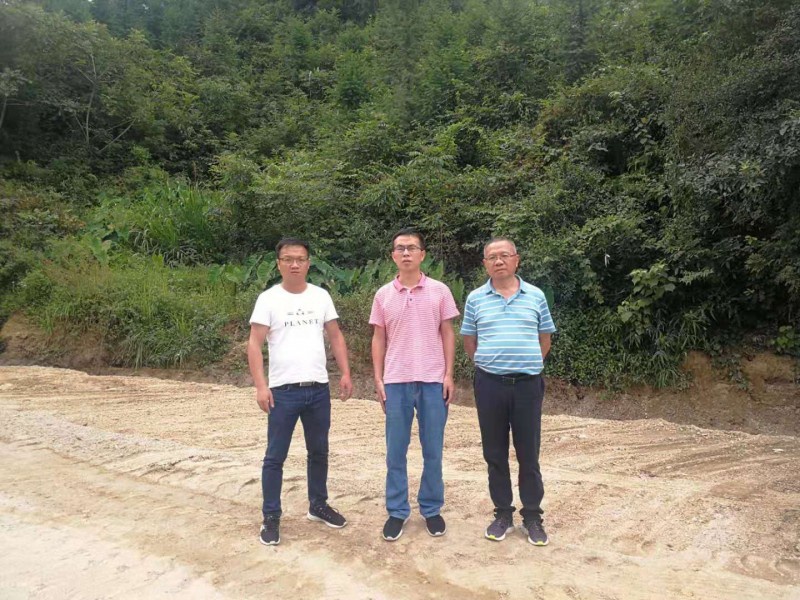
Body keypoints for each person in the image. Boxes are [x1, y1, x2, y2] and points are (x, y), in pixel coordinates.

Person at [247, 237, 353, 546]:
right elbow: (254, 343)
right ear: (278, 263)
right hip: (283, 391)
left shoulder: (321, 296)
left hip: (318, 389)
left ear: (308, 263)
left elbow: (335, 335)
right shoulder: (268, 299)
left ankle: (318, 505)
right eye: (288, 259)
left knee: (319, 451)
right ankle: (271, 516)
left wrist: (345, 372)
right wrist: (261, 386)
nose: (295, 264)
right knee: (275, 457)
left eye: (301, 259)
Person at [460, 237, 556, 546]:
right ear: (485, 264)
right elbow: (469, 341)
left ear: (516, 259)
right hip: (489, 385)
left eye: (504, 255)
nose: (498, 261)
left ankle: (532, 517)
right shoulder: (475, 298)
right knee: (495, 454)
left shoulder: (536, 296)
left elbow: (544, 338)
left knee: (529, 454)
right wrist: (489, 364)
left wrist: (526, 363)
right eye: (492, 257)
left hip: (527, 386)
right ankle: (503, 513)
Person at [370, 228, 460, 541]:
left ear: (423, 254)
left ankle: (431, 508)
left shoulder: (439, 291)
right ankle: (397, 510)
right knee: (395, 451)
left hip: (433, 380)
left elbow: (447, 333)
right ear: (393, 255)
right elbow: (378, 337)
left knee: (432, 450)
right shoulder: (383, 295)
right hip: (396, 381)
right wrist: (378, 377)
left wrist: (449, 374)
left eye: (412, 248)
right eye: (400, 248)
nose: (406, 253)